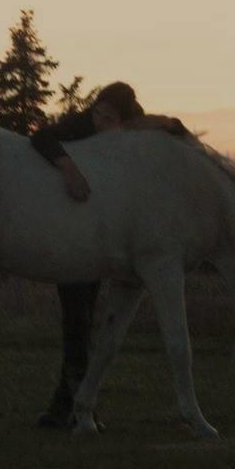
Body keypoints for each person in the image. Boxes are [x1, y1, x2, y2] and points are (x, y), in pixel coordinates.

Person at [30, 81, 188, 429]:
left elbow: (178, 131)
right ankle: (72, 408)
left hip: (100, 240)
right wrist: (68, 167)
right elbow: (41, 137)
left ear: (122, 119)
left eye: (108, 117)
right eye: (98, 112)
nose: (99, 122)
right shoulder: (81, 124)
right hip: (74, 237)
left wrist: (161, 124)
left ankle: (67, 406)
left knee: (82, 322)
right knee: (76, 321)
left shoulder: (131, 129)